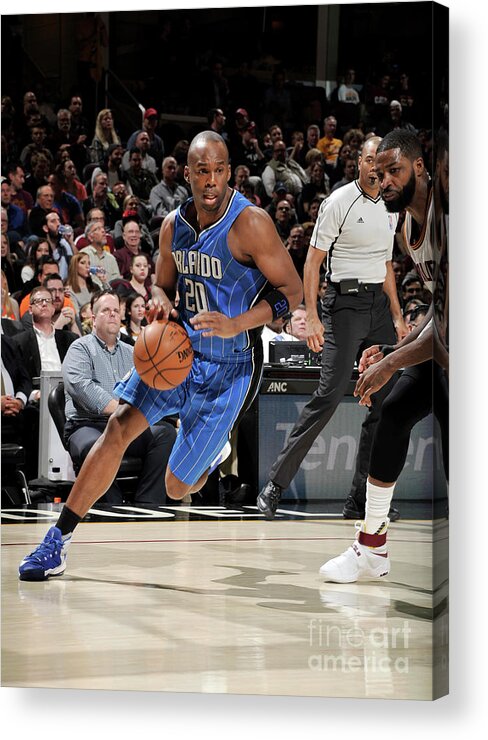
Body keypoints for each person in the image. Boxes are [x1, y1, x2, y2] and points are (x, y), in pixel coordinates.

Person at [19, 130, 302, 581]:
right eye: (201, 172)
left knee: (176, 486)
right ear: (186, 173)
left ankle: (211, 454)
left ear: (229, 171)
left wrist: (237, 322)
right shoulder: (172, 225)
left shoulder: (251, 224)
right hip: (179, 353)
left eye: (219, 171)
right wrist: (161, 303)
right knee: (118, 428)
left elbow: (292, 293)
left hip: (231, 368)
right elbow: (164, 287)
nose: (211, 181)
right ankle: (58, 540)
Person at [257, 136, 408, 522]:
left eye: (383, 162)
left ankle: (360, 499)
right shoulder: (338, 202)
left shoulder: (392, 208)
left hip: (377, 306)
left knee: (384, 404)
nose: (377, 169)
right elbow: (312, 263)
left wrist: (395, 313)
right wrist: (312, 315)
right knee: (327, 397)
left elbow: (386, 264)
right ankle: (275, 484)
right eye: (371, 160)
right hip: (343, 305)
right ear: (359, 161)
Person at [319, 129, 446, 583]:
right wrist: (398, 349)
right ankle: (372, 546)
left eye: (394, 171)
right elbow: (441, 310)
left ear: (420, 168)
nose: (384, 180)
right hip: (446, 352)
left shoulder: (448, 218)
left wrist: (393, 361)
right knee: (393, 417)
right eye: (379, 172)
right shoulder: (407, 229)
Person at [61, 289, 176, 506]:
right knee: (93, 446)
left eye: (116, 310)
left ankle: (147, 506)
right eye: (106, 310)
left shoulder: (133, 351)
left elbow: (146, 389)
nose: (113, 314)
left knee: (166, 434)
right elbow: (82, 387)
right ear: (93, 319)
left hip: (124, 425)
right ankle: (111, 507)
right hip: (87, 425)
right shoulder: (80, 347)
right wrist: (121, 410)